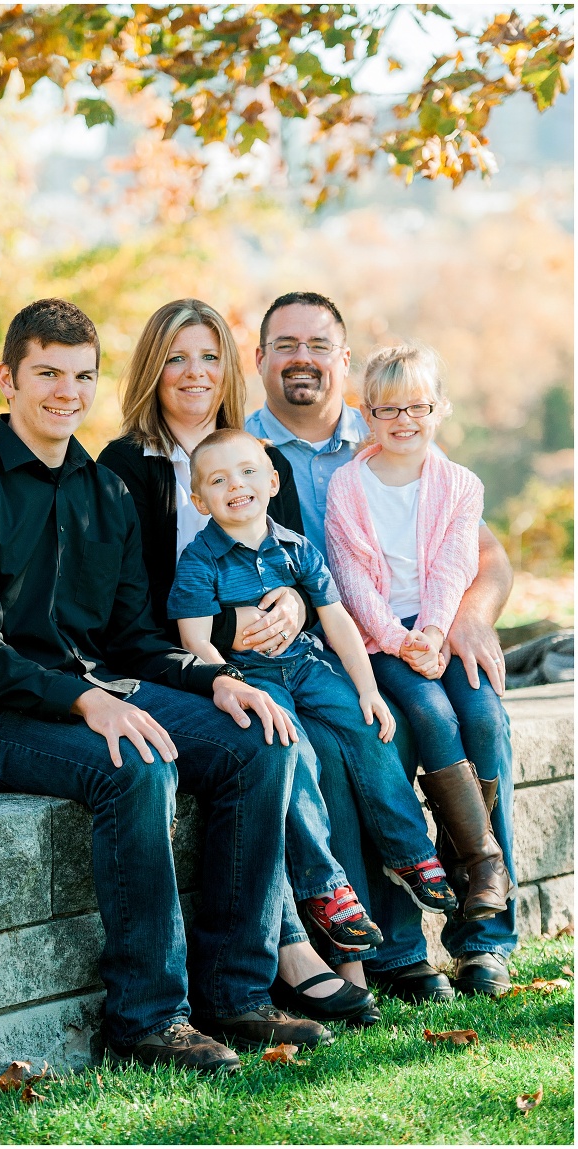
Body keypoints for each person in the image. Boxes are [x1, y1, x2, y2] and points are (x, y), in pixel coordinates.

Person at [0, 297, 333, 1074]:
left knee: (257, 741)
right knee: (137, 767)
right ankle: (147, 1017)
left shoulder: (105, 492)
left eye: (81, 376)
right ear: (9, 379)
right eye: (46, 373)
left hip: (93, 689)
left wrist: (218, 679)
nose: (65, 392)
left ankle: (236, 993)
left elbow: (134, 639)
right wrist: (86, 699)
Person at [99, 299, 381, 1024]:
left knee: (350, 736)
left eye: (209, 356)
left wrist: (289, 598)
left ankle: (370, 951)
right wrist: (229, 630)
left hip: (280, 655)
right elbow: (138, 612)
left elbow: (289, 558)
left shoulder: (263, 455)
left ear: (230, 366)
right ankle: (293, 951)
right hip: (177, 661)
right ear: (151, 370)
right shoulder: (128, 465)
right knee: (278, 741)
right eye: (176, 358)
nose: (195, 373)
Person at [247, 292, 517, 999]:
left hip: (417, 636)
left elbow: (476, 555)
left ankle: (484, 929)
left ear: (343, 362)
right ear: (261, 358)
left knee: (484, 715)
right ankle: (399, 954)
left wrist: (465, 617)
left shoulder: (412, 443)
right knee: (376, 738)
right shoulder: (246, 450)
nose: (302, 357)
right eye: (285, 344)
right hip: (330, 652)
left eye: (318, 344)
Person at [167, 428, 459, 959]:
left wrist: (367, 689)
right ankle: (325, 888)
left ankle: (409, 850)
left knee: (370, 724)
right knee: (293, 751)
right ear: (198, 499)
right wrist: (231, 688)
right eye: (218, 479)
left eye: (248, 471)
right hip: (250, 679)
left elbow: (337, 620)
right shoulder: (199, 560)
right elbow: (195, 639)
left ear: (273, 481)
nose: (237, 485)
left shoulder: (297, 548)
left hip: (306, 666)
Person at [326, 344, 515, 922]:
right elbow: (350, 579)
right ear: (366, 414)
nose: (404, 420)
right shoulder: (347, 486)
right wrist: (397, 638)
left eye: (418, 406)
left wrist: (434, 631)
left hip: (441, 624)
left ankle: (468, 866)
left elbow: (455, 565)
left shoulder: (460, 485)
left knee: (482, 715)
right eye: (388, 409)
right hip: (379, 636)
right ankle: (484, 859)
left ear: (441, 409)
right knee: (432, 715)